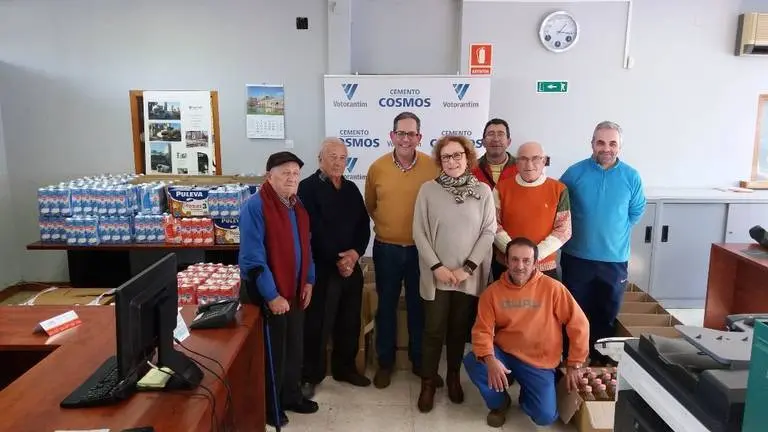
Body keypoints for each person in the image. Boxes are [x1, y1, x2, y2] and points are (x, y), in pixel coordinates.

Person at [462, 237, 589, 428]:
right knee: (475, 362)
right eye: (514, 259)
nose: (520, 266)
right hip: (505, 354)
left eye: (526, 260)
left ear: (535, 262)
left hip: (540, 361)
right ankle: (499, 403)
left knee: (545, 417)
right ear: (506, 261)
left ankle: (527, 396)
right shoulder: (492, 292)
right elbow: (482, 330)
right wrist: (490, 359)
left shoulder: (553, 289)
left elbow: (579, 324)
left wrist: (575, 363)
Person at [412, 135, 496, 413]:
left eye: (457, 155)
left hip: (467, 277)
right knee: (433, 331)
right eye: (446, 156)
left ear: (467, 157)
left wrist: (467, 268)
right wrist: (437, 267)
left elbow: (488, 232)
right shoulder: (427, 190)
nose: (452, 161)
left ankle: (453, 378)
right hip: (436, 276)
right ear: (440, 160)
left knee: (459, 331)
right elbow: (419, 232)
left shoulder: (483, 191)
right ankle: (428, 383)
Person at [239, 151, 318, 428]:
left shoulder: (297, 205)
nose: (292, 178)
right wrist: (272, 295)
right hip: (267, 293)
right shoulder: (255, 207)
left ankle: (291, 396)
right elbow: (253, 259)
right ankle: (270, 406)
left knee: (294, 347)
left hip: (294, 291)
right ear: (269, 176)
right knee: (273, 353)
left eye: (296, 173)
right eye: (285, 173)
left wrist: (309, 280)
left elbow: (306, 246)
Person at [364, 111, 441, 389]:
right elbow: (371, 205)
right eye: (400, 133)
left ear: (419, 137)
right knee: (386, 306)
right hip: (386, 249)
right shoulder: (377, 168)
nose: (405, 139)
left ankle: (419, 362)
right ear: (392, 136)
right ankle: (385, 363)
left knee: (419, 307)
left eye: (411, 134)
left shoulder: (434, 167)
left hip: (423, 251)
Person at [559, 121, 646, 365]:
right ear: (592, 144)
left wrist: (612, 231)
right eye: (601, 142)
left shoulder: (631, 176)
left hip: (614, 261)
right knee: (574, 315)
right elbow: (561, 207)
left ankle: (599, 363)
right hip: (577, 258)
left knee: (606, 315)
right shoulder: (574, 173)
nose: (606, 148)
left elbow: (636, 212)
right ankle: (572, 362)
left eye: (612, 143)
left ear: (620, 146)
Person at [298, 138, 372, 397]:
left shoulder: (350, 188)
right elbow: (312, 231)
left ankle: (345, 368)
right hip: (323, 268)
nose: (338, 162)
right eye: (333, 157)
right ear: (320, 158)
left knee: (349, 321)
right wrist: (338, 260)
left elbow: (363, 224)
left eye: (342, 158)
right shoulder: (307, 188)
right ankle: (310, 375)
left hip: (351, 267)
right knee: (318, 324)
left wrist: (355, 253)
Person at [493, 142, 571, 280]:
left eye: (535, 159)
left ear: (544, 161)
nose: (529, 165)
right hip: (507, 265)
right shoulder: (501, 188)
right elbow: (493, 224)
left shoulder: (559, 189)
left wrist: (534, 255)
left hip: (544, 266)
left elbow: (564, 229)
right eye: (523, 159)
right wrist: (513, 254)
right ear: (517, 163)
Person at [471, 118, 518, 280]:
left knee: (507, 285)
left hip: (509, 240)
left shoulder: (521, 168)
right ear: (483, 141)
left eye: (501, 134)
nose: (496, 138)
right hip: (477, 240)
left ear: (509, 141)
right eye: (490, 134)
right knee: (477, 287)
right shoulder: (470, 169)